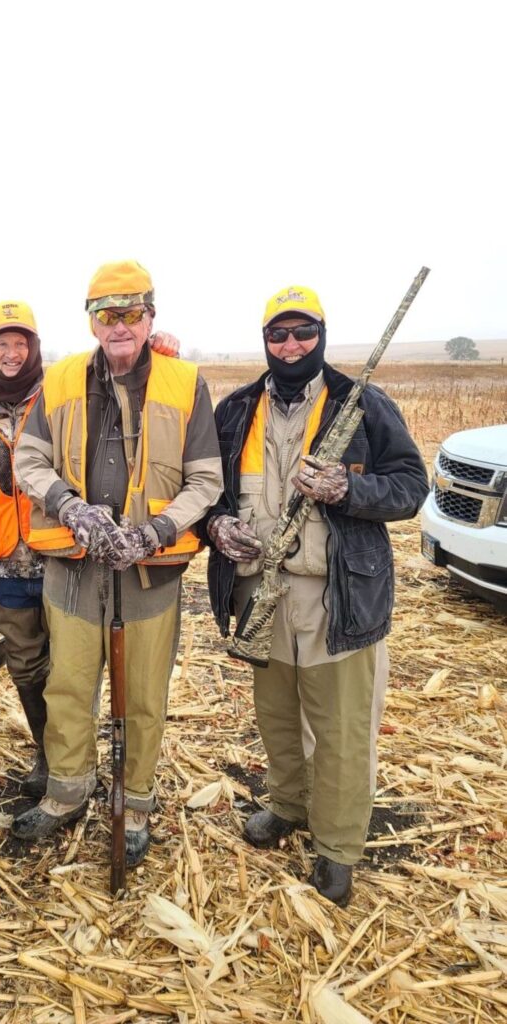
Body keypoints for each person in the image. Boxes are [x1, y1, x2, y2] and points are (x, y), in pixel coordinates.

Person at [205, 286, 428, 906]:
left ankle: (336, 847)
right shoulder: (237, 410)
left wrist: (347, 489)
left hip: (337, 597)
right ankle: (287, 808)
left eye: (303, 332)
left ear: (321, 335)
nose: (291, 345)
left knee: (341, 729)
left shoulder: (362, 405)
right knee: (276, 718)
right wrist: (218, 528)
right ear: (265, 342)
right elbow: (210, 495)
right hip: (261, 593)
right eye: (278, 335)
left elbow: (412, 486)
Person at [10, 260, 223, 865]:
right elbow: (29, 461)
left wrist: (157, 531)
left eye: (131, 312)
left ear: (151, 315)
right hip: (73, 570)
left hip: (148, 576)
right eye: (107, 314)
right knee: (69, 685)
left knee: (144, 696)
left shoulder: (187, 382)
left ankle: (136, 802)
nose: (120, 325)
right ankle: (66, 794)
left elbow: (206, 480)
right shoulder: (61, 380)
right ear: (92, 321)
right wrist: (68, 506)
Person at [0, 300, 181, 798]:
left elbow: (123, 365)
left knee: (72, 672)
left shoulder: (64, 389)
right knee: (27, 666)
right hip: (3, 563)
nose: (12, 354)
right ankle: (49, 754)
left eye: (21, 343)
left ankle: (84, 765)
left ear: (34, 347)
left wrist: (159, 347)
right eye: (2, 344)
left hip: (63, 559)